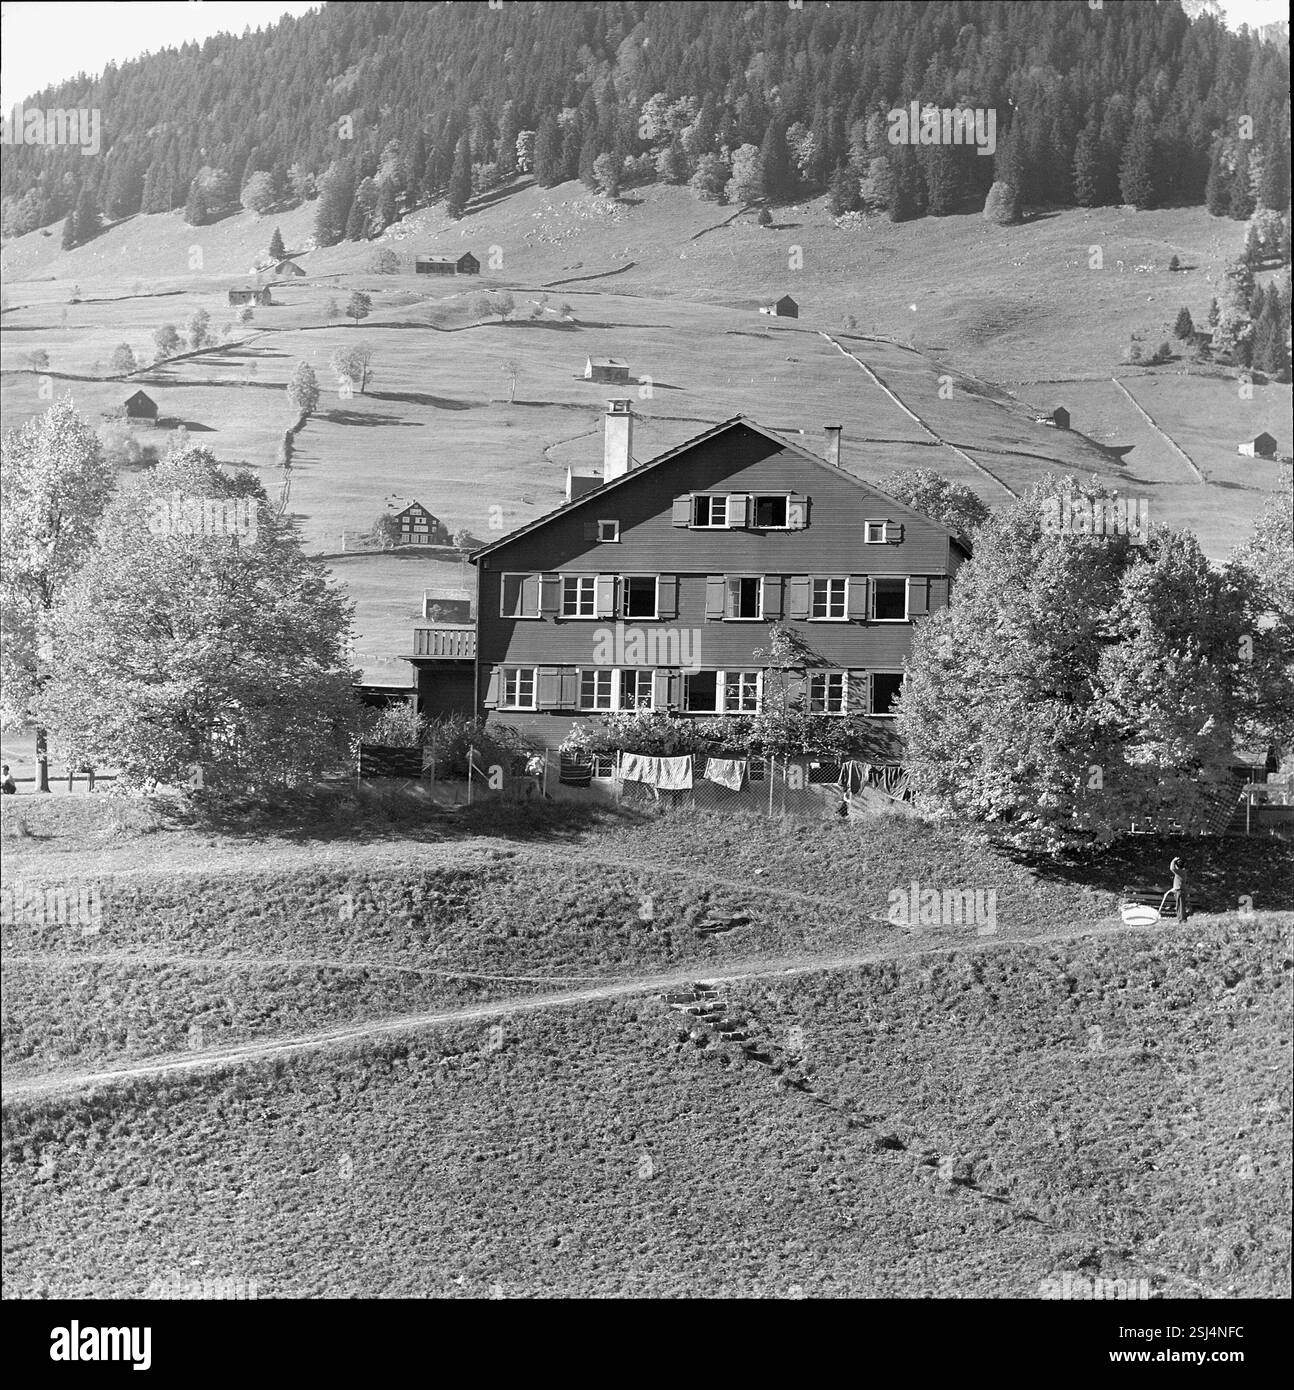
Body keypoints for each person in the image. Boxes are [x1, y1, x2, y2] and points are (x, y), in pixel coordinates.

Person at [1169, 856, 1187, 922]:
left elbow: (1172, 868)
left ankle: (1182, 920)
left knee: (1180, 907)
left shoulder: (1180, 872)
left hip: (1180, 891)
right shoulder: (1182, 871)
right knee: (1179, 906)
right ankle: (1181, 919)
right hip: (1179, 890)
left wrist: (1173, 861)